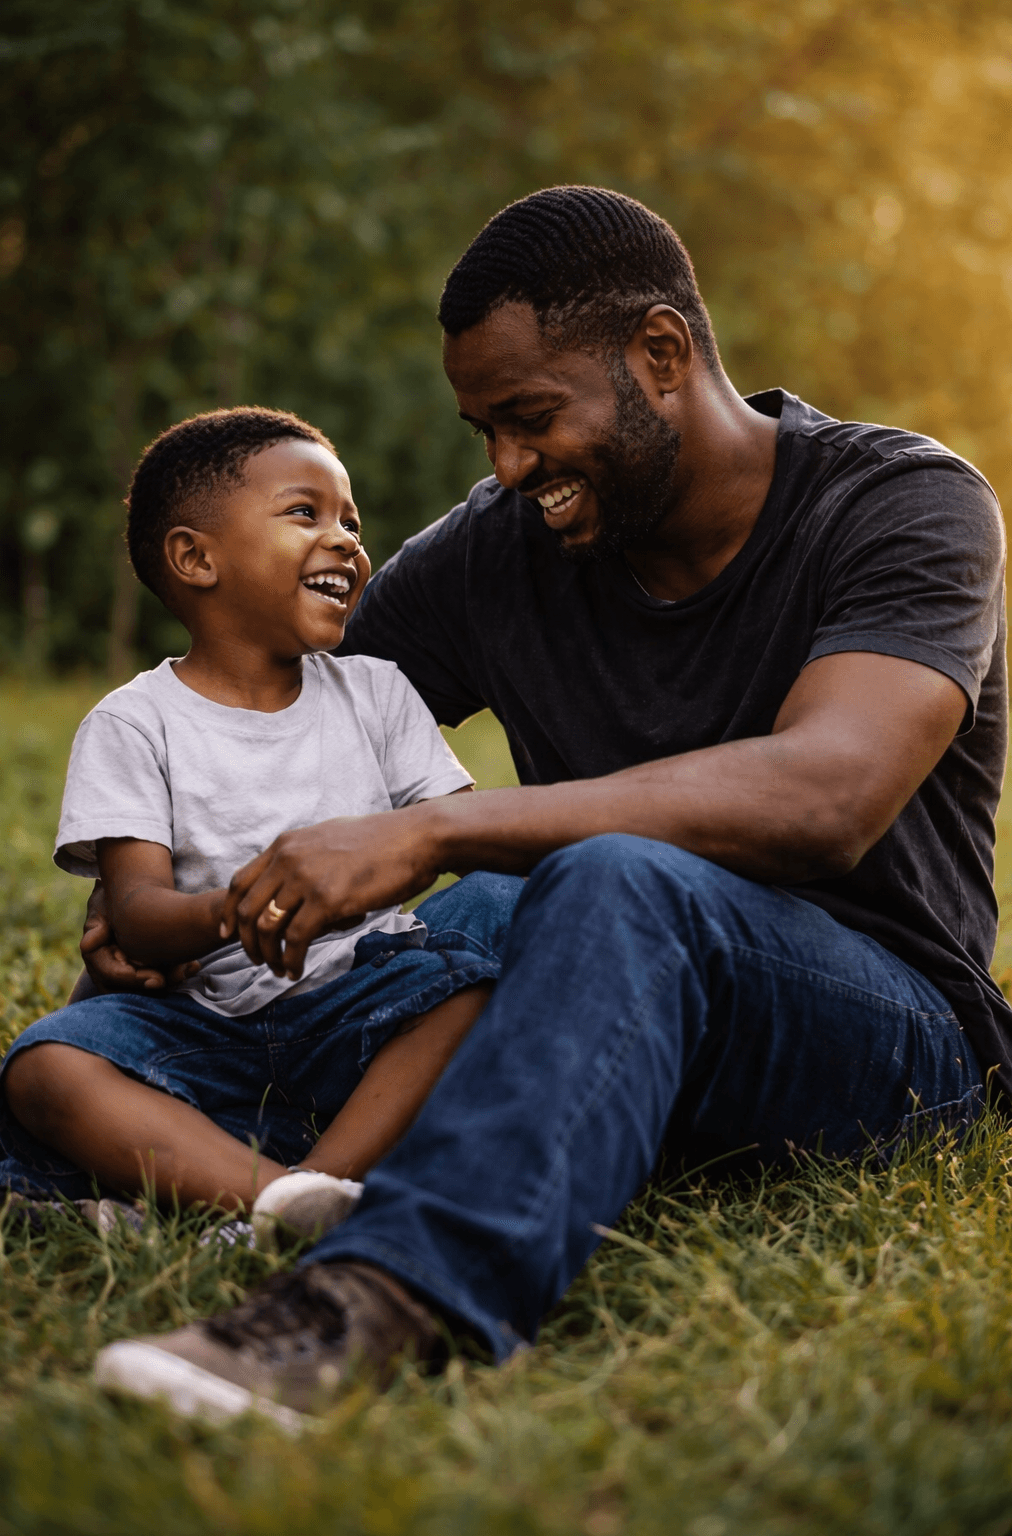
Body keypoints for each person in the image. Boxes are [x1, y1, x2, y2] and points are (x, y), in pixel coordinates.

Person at [85, 186, 1007, 1424]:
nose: (508, 467)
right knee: (446, 937)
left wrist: (430, 827)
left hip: (888, 1032)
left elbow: (826, 794)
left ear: (661, 355)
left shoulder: (899, 504)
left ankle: (381, 1296)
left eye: (529, 419)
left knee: (598, 876)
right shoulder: (498, 547)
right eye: (484, 432)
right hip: (601, 982)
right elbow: (298, 708)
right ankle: (136, 1163)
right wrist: (176, 888)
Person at [0, 406, 524, 1242]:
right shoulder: (135, 724)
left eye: (351, 519)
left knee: (477, 981)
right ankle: (282, 1198)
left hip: (369, 1004)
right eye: (304, 513)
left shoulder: (377, 692)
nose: (346, 539)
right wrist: (247, 908)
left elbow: (465, 837)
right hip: (207, 1030)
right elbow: (136, 917)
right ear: (195, 557)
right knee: (47, 1068)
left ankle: (301, 1188)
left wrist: (387, 870)